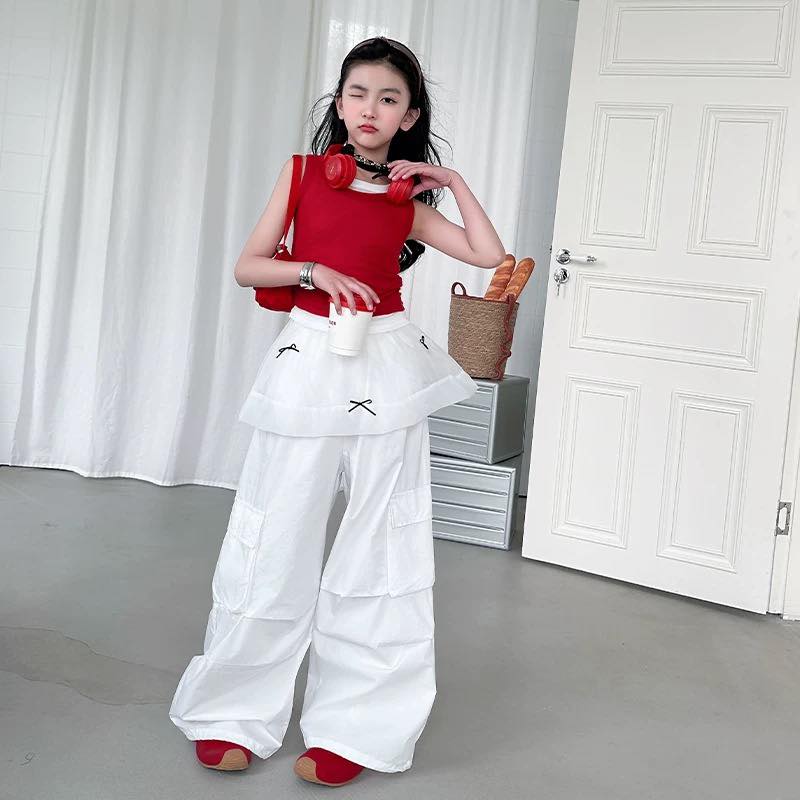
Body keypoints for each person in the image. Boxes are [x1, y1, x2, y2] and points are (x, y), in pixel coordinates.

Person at [168, 35, 506, 787]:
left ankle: (357, 725)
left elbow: (488, 255)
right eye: (358, 94)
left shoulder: (408, 204)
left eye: (389, 98)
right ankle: (232, 712)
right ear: (340, 103)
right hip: (309, 359)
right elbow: (249, 266)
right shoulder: (300, 175)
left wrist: (450, 180)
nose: (370, 109)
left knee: (382, 544)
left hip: (386, 363)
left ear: (408, 115)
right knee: (275, 531)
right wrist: (313, 270)